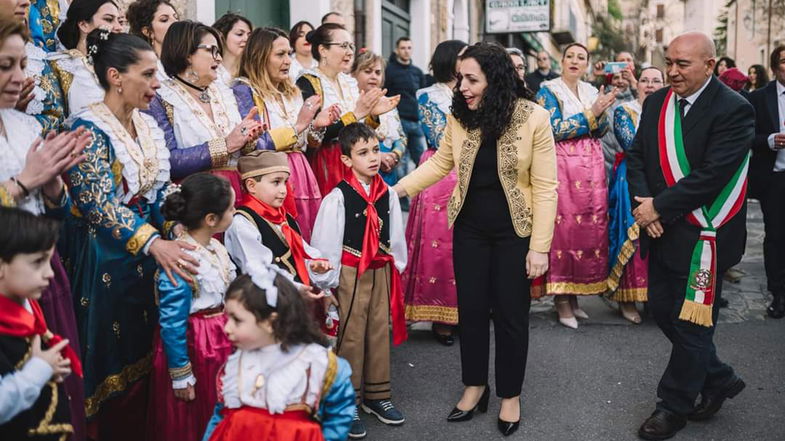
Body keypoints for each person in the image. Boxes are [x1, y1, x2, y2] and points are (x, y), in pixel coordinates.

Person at [394, 42, 557, 437]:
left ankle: (510, 396)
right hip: (469, 229)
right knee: (470, 310)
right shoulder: (461, 115)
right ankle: (474, 387)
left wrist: (540, 247)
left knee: (511, 316)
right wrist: (394, 191)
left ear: (494, 79)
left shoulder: (533, 116)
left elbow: (546, 187)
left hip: (515, 232)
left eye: (471, 79)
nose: (462, 86)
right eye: (460, 78)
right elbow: (440, 163)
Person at [62, 29, 199, 440]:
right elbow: (99, 205)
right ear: (115, 76)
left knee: (147, 348)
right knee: (109, 357)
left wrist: (177, 227)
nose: (158, 83)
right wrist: (156, 241)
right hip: (103, 259)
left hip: (147, 254)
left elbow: (158, 191)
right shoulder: (86, 128)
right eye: (149, 74)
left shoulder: (146, 125)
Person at [626, 32, 752, 440]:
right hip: (661, 229)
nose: (672, 71)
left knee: (694, 326)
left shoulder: (734, 109)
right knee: (663, 311)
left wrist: (657, 207)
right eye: (669, 62)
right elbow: (638, 155)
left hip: (705, 237)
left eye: (682, 64)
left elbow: (711, 176)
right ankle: (720, 377)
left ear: (709, 65)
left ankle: (672, 407)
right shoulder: (659, 101)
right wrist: (647, 207)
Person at [0, 17, 91, 439]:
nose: (20, 78)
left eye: (22, 64)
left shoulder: (24, 125)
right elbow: (24, 187)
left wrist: (55, 189)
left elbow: (52, 210)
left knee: (58, 386)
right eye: (6, 65)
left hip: (40, 269)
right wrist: (22, 183)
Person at [311, 123, 407, 439]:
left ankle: (377, 395)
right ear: (347, 160)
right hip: (350, 273)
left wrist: (398, 267)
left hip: (379, 269)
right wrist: (328, 283)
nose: (372, 158)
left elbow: (395, 237)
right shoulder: (337, 198)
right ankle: (346, 400)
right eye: (363, 153)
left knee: (378, 329)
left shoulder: (387, 193)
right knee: (351, 334)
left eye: (375, 150)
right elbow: (326, 243)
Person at [200, 272, 355, 441]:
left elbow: (337, 418)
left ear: (269, 322)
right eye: (226, 317)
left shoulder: (319, 365)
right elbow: (221, 416)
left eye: (236, 320)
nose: (227, 328)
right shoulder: (236, 364)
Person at [146, 173, 236, 441]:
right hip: (196, 345)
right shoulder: (182, 259)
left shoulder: (213, 247)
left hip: (219, 341)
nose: (235, 212)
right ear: (211, 220)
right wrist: (181, 373)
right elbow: (172, 321)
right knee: (195, 413)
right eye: (231, 209)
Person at [536, 43, 617, 328]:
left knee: (587, 231)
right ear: (562, 61)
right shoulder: (548, 90)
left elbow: (602, 129)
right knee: (564, 231)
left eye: (580, 57)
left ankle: (575, 297)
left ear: (587, 64)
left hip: (592, 167)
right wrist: (592, 113)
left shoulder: (592, 91)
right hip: (563, 166)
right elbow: (552, 129)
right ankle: (560, 298)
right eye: (570, 56)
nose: (574, 60)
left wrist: (602, 111)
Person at [232, 26, 339, 240]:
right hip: (267, 176)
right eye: (280, 54)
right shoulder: (243, 90)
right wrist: (298, 126)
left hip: (300, 172)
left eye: (289, 54)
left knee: (306, 238)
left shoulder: (291, 91)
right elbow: (253, 145)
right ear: (259, 57)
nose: (288, 61)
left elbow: (307, 144)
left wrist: (316, 125)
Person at [147, 20, 267, 199]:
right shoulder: (160, 98)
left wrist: (249, 140)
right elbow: (167, 161)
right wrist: (225, 145)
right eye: (211, 50)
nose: (218, 58)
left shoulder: (232, 93)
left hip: (239, 193)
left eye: (218, 52)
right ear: (187, 53)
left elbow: (258, 148)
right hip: (196, 198)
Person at [402, 39, 466, 345]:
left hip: (472, 171)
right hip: (440, 172)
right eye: (463, 58)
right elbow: (438, 135)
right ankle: (441, 316)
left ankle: (467, 310)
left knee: (468, 244)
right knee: (440, 246)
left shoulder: (478, 90)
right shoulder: (427, 95)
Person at [0, 207, 82, 438]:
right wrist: (38, 371)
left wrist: (47, 370)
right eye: (37, 263)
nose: (50, 274)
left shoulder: (20, 307)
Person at [296, 23, 399, 196]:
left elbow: (356, 128)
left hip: (356, 159)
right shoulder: (308, 82)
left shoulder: (348, 82)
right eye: (343, 46)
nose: (350, 52)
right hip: (327, 163)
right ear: (323, 50)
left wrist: (372, 115)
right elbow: (316, 135)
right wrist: (357, 113)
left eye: (351, 46)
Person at [224, 150, 334, 300]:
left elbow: (302, 253)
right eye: (276, 182)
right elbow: (258, 270)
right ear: (251, 186)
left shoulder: (284, 217)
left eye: (285, 182)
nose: (284, 190)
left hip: (291, 301)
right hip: (264, 306)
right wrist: (296, 288)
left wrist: (314, 267)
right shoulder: (242, 223)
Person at [607, 67, 664, 324]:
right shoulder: (624, 111)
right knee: (631, 236)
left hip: (663, 181)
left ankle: (653, 297)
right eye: (645, 81)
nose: (650, 85)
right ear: (636, 84)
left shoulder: (671, 110)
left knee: (660, 237)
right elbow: (632, 146)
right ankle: (626, 298)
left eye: (656, 81)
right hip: (630, 178)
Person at [748, 45, 785, 319]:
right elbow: (745, 135)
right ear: (774, 67)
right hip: (776, 179)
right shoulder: (760, 98)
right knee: (776, 237)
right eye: (784, 62)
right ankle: (778, 294)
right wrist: (769, 140)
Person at [51, 0, 124, 116]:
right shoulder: (60, 67)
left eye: (120, 22)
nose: (119, 27)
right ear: (84, 24)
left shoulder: (119, 69)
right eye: (109, 19)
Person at [352, 49, 406, 185]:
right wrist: (377, 156)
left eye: (378, 72)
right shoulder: (351, 102)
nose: (373, 76)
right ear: (354, 74)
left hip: (388, 171)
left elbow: (401, 137)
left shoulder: (388, 102)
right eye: (367, 71)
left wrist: (394, 155)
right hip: (359, 172)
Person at [384, 36, 426, 167]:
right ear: (397, 50)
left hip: (415, 122)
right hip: (398, 121)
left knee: (422, 160)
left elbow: (422, 95)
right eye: (403, 48)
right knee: (400, 162)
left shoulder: (418, 72)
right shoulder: (389, 70)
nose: (406, 51)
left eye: (409, 48)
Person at [126, 0, 180, 80]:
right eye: (164, 20)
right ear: (148, 32)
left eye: (176, 17)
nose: (175, 22)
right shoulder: (145, 70)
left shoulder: (187, 62)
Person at [212, 13, 252, 85]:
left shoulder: (252, 72)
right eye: (240, 34)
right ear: (222, 36)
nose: (246, 39)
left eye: (249, 35)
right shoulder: (212, 71)